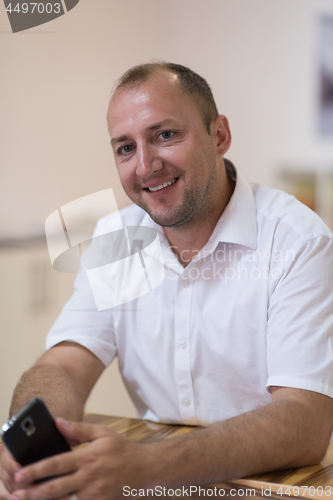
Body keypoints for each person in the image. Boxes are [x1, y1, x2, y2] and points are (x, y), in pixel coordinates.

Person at [1, 62, 333, 500]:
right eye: (124, 148)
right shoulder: (117, 240)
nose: (145, 165)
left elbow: (304, 423)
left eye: (165, 135)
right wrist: (31, 436)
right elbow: (65, 364)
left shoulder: (297, 240)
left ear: (219, 136)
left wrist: (150, 467)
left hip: (271, 485)